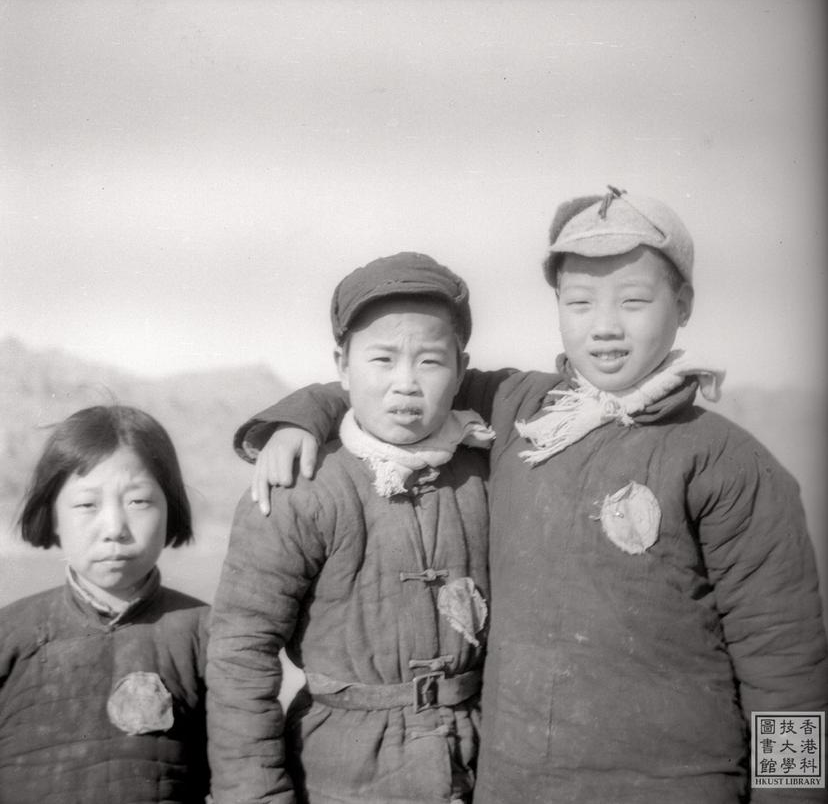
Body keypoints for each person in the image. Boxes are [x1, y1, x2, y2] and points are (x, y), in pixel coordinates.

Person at [231, 188, 828, 803]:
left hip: (677, 786)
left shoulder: (727, 461)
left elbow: (786, 661)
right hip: (514, 785)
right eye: (580, 302)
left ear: (683, 304)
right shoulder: (520, 408)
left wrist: (795, 795)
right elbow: (396, 386)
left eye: (634, 301)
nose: (605, 326)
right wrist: (298, 419)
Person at [206, 252, 493, 804]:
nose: (405, 383)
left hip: (481, 762)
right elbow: (241, 652)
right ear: (342, 365)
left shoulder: (487, 472)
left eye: (431, 362)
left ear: (461, 369)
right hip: (339, 774)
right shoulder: (299, 485)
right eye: (381, 359)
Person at [0, 405, 210, 803]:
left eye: (139, 501)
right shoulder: (9, 635)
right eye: (86, 505)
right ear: (52, 516)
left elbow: (246, 771)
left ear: (172, 509)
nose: (115, 528)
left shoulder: (208, 635)